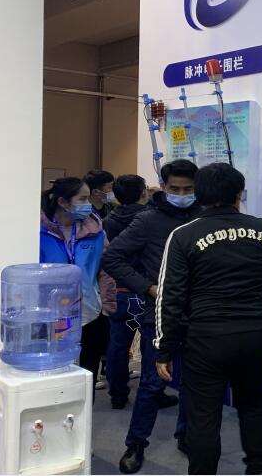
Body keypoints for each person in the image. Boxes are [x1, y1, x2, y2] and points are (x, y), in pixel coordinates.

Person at [154, 162, 262, 476]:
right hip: (254, 333)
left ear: (199, 195)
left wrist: (164, 349)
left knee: (203, 415)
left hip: (206, 338)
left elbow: (170, 296)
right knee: (252, 404)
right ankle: (257, 469)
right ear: (239, 194)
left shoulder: (183, 235)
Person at [102, 159, 201, 474]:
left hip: (199, 315)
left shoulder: (205, 218)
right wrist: (148, 287)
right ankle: (136, 444)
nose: (181, 195)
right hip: (158, 316)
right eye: (175, 189)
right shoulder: (148, 220)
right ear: (164, 186)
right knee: (151, 383)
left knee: (193, 383)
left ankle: (186, 436)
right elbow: (112, 258)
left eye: (188, 189)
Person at [40, 177, 110, 391]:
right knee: (56, 374)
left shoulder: (95, 231)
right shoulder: (40, 232)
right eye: (82, 199)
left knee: (88, 373)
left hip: (90, 312)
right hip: (52, 315)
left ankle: (87, 411)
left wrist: (107, 304)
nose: (88, 204)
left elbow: (105, 269)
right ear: (63, 202)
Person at [103, 174, 151, 410]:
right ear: (143, 192)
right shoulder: (149, 219)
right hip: (144, 290)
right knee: (149, 345)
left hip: (117, 290)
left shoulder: (107, 220)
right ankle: (150, 394)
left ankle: (117, 394)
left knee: (118, 345)